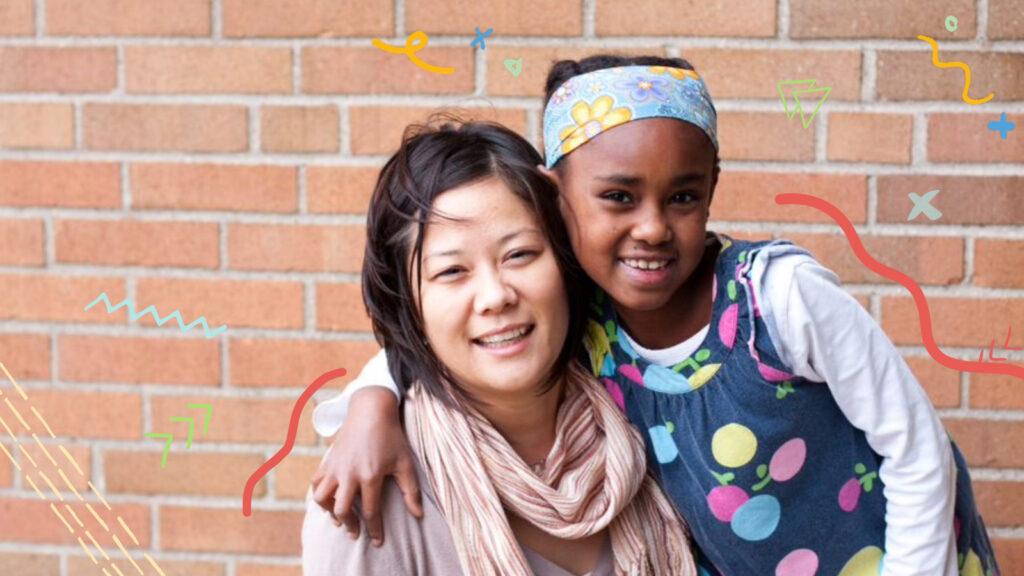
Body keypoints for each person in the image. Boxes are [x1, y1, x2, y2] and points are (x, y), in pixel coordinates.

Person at [311, 55, 1000, 575]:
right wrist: (373, 399)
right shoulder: (591, 315)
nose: (651, 228)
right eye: (617, 197)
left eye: (682, 197)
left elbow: (916, 449)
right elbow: (453, 331)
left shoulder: (777, 299)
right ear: (559, 200)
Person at [302, 119, 696, 576]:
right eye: (452, 272)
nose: (495, 296)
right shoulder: (369, 492)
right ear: (409, 304)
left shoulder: (650, 416)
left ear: (567, 261)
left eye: (520, 254)